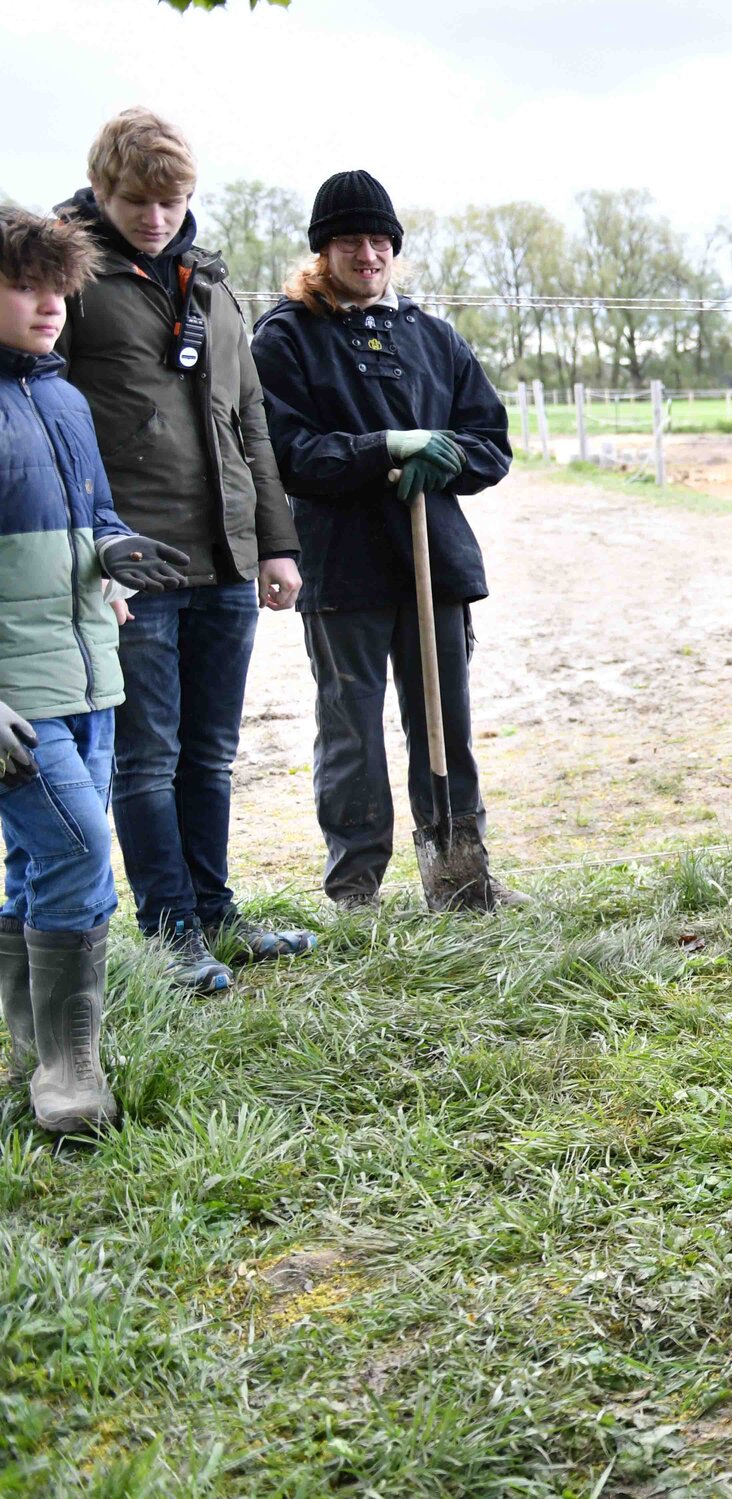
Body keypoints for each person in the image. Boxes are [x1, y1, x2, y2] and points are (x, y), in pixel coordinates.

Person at [55, 108, 311, 992]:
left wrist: (275, 544)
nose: (157, 218)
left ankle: (215, 914)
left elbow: (253, 426)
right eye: (137, 201)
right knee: (146, 757)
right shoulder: (68, 281)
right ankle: (170, 936)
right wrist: (94, 546)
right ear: (100, 190)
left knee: (210, 752)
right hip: (137, 568)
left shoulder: (212, 284)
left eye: (173, 201)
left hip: (227, 563)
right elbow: (49, 422)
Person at [249, 170, 516, 912]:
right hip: (344, 566)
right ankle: (355, 890)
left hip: (436, 562)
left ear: (393, 248)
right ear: (323, 250)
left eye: (378, 241)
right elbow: (287, 451)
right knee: (351, 731)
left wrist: (448, 457)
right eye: (349, 241)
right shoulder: (285, 337)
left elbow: (491, 439)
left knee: (445, 724)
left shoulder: (431, 336)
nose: (367, 254)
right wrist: (386, 449)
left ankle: (460, 875)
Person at [0, 207, 190, 1133]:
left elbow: (95, 513)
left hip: (92, 677)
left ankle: (28, 1044)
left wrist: (114, 549)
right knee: (79, 850)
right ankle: (68, 1072)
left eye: (57, 287)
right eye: (23, 284)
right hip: (16, 693)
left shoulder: (65, 400)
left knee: (39, 861)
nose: (48, 305)